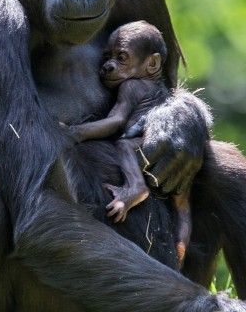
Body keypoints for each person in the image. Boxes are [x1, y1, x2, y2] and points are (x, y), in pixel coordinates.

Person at [65, 20, 200, 266]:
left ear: (152, 63)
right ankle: (180, 253)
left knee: (124, 145)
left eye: (121, 58)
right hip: (167, 163)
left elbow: (116, 121)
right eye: (107, 57)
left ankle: (135, 188)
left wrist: (73, 132)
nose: (108, 66)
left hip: (144, 148)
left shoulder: (131, 86)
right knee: (183, 208)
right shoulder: (155, 86)